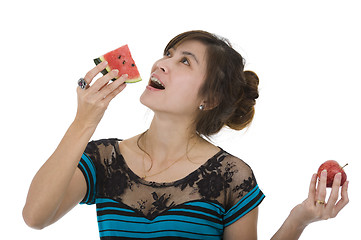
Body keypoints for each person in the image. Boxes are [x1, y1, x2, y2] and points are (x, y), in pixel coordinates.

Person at [23, 30, 349, 240]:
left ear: (209, 99)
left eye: (184, 61)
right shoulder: (105, 160)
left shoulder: (231, 176)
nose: (161, 63)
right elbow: (35, 217)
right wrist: (84, 121)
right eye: (168, 53)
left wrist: (299, 219)